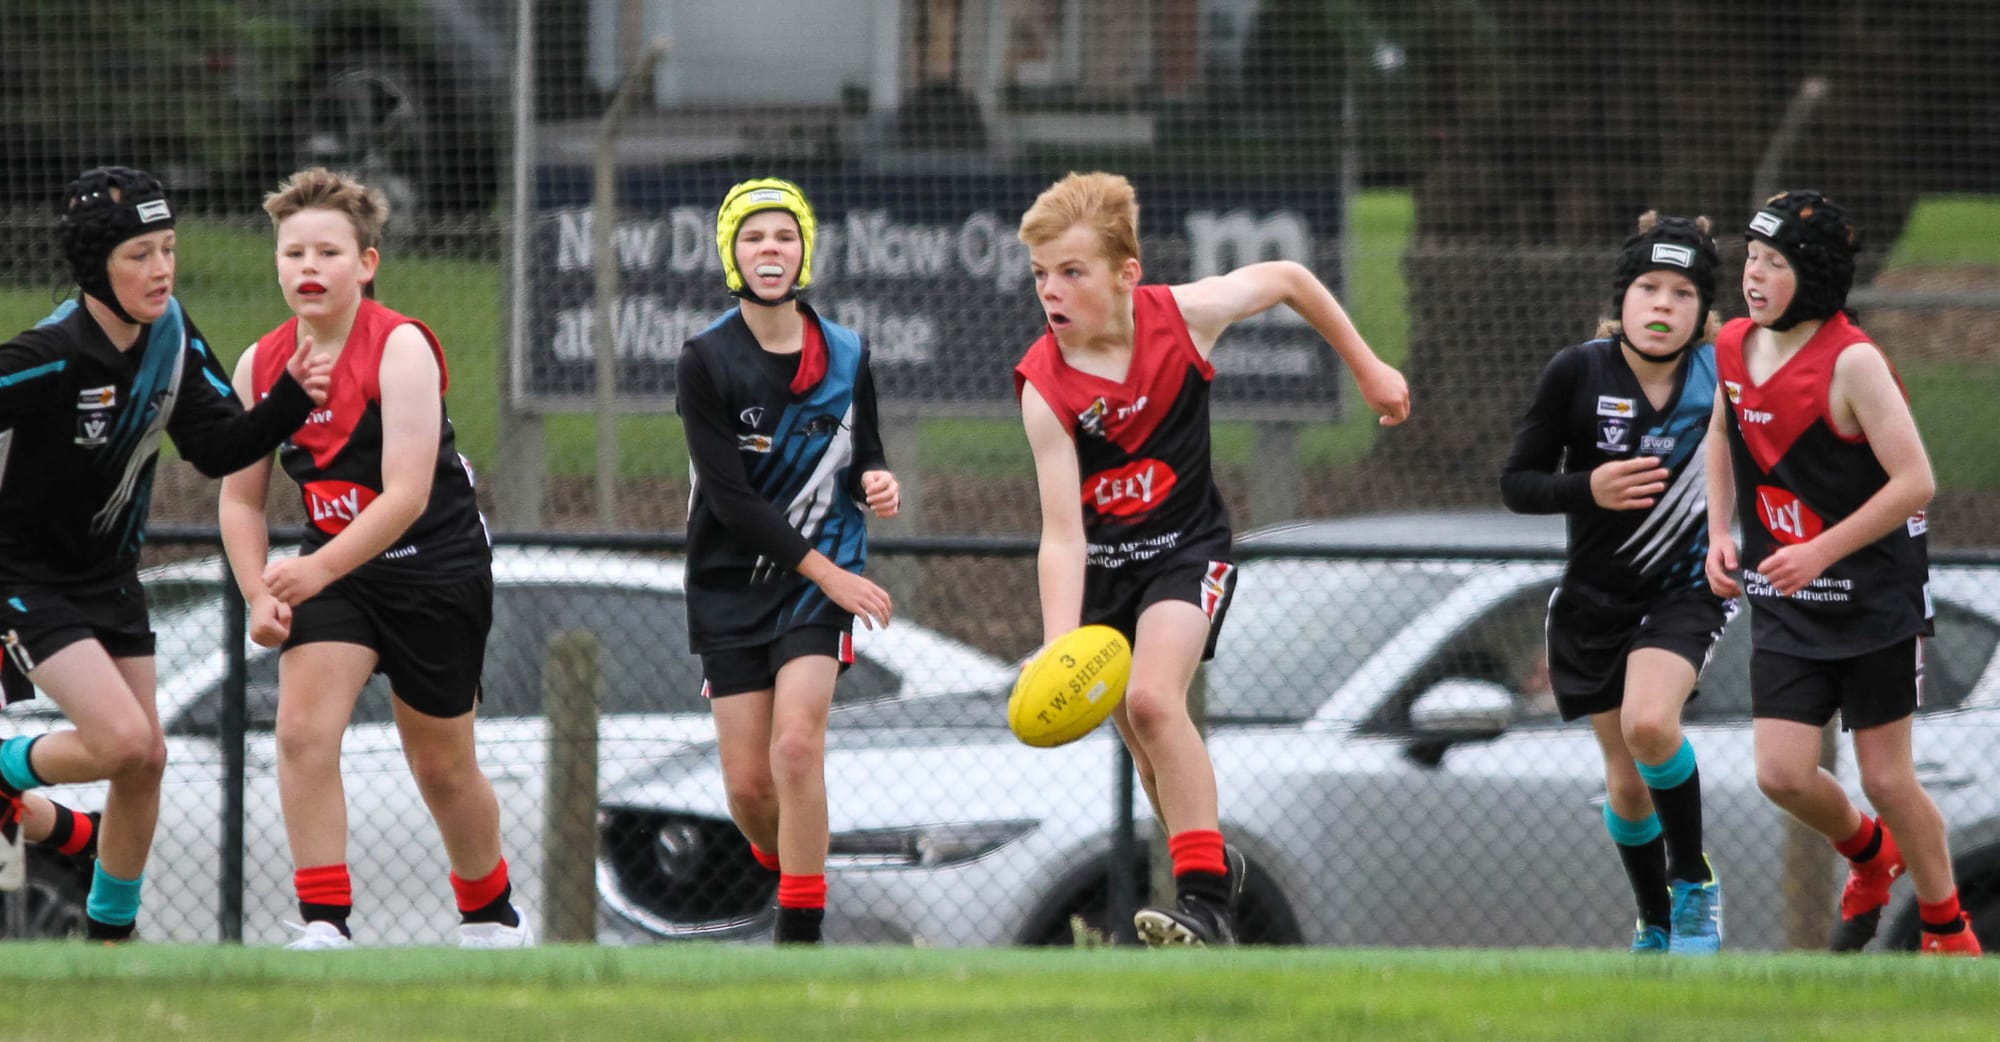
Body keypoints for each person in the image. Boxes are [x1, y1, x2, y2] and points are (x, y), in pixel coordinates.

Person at [1012, 171, 1410, 947]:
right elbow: (1062, 534)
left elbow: (1290, 278)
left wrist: (1368, 367)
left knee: (1156, 702)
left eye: (1072, 271)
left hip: (1186, 550)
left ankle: (1203, 902)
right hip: (1105, 574)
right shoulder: (1044, 388)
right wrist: (1062, 646)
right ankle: (1214, 872)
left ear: (1126, 274)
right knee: (1149, 753)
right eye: (1040, 274)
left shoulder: (1183, 318)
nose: (1050, 291)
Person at [0, 165, 331, 939]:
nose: (161, 269)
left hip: (110, 580)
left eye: (169, 249)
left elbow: (217, 448)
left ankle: (110, 944)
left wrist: (288, 398)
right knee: (121, 741)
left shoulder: (171, 336)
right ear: (96, 267)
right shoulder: (51, 354)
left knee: (145, 762)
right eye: (139, 254)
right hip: (24, 580)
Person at [216, 168, 531, 951]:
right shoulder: (260, 365)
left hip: (433, 567)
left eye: (328, 252)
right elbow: (240, 501)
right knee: (301, 732)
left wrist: (315, 570)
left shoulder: (400, 348)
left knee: (442, 767)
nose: (309, 267)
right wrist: (259, 593)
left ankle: (491, 917)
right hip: (336, 570)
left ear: (366, 263)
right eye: (293, 252)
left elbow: (407, 496)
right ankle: (325, 923)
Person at [1705, 190, 1980, 956]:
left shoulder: (1852, 361)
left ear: (1817, 274)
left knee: (1888, 780)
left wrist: (1820, 551)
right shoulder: (1733, 345)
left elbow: (1916, 482)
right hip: (1787, 600)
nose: (1753, 276)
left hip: (1873, 597)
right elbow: (1722, 431)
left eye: (1774, 263)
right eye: (1750, 259)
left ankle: (1947, 928)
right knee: (1781, 774)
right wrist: (1719, 532)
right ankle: (1871, 854)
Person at [1501, 212, 1733, 955]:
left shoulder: (1724, 375)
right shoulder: (1578, 371)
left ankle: (1693, 882)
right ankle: (1654, 923)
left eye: (1683, 293)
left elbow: (1772, 462)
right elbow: (1517, 484)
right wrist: (1588, 487)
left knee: (1651, 724)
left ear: (1704, 310)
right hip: (1595, 600)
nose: (1663, 304)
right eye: (1648, 288)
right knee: (1628, 782)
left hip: (1685, 592)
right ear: (1622, 298)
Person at [675, 177, 900, 945]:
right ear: (731, 254)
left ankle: (800, 935)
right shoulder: (705, 359)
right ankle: (788, 865)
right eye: (753, 237)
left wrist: (876, 481)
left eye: (783, 236)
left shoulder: (847, 352)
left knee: (796, 747)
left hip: (818, 580)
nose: (769, 249)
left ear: (804, 252)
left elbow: (864, 453)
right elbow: (732, 501)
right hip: (731, 582)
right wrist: (830, 574)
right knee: (748, 788)